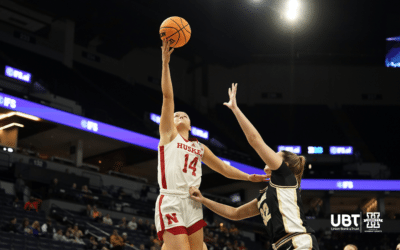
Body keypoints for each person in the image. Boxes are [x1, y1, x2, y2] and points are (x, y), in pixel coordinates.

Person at [156, 40, 268, 250]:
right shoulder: (168, 135)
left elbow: (224, 168)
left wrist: (247, 177)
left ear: (190, 124)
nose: (180, 115)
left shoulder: (200, 147)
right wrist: (165, 63)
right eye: (176, 115)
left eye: (184, 115)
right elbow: (167, 96)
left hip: (193, 201)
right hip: (171, 200)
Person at [189, 83, 319, 250]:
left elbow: (255, 140)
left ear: (284, 164)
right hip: (283, 245)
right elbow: (234, 214)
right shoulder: (267, 195)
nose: (270, 156)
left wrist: (235, 109)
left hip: (298, 242)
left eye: (275, 155)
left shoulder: (285, 176)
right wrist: (203, 199)